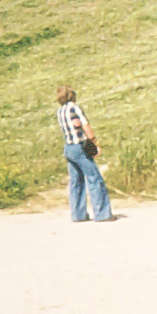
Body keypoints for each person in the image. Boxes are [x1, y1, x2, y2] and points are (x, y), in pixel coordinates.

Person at [55, 86, 114, 223]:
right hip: (79, 147)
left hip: (68, 147)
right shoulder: (74, 108)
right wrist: (94, 142)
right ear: (71, 96)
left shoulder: (60, 112)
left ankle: (78, 214)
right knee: (94, 178)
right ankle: (102, 213)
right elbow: (85, 126)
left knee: (76, 182)